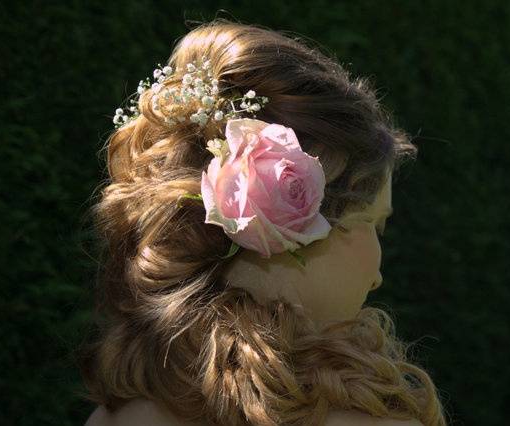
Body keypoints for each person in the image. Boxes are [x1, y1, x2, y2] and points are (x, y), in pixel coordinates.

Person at [79, 19, 448, 426]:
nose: (378, 273)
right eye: (373, 223)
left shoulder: (116, 417)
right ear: (295, 226)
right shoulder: (370, 419)